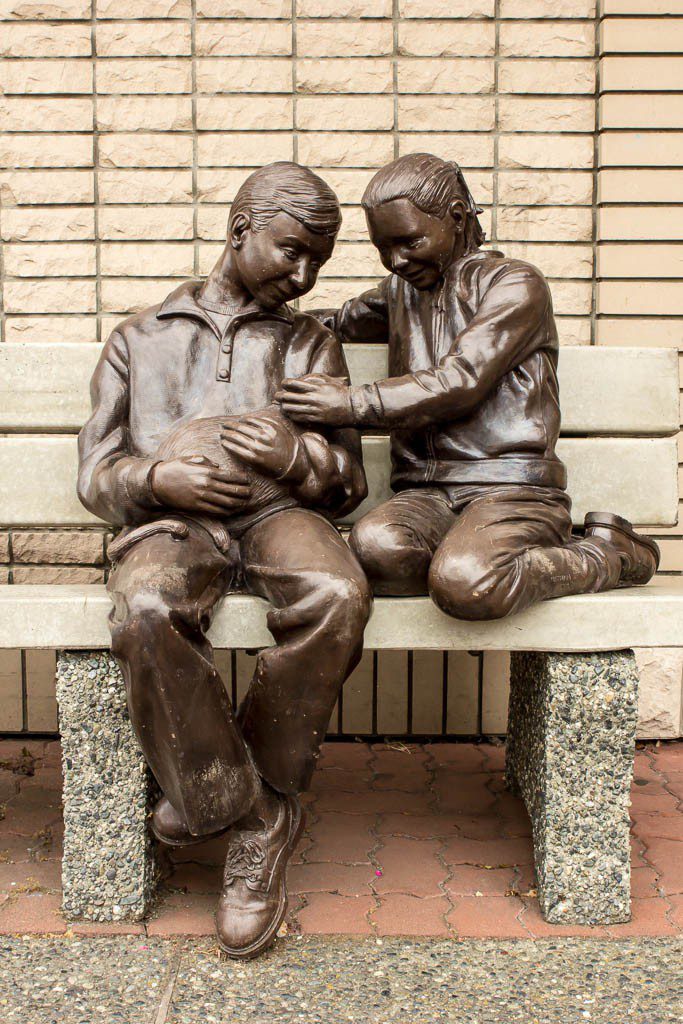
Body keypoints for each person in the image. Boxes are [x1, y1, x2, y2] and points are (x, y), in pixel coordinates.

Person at [77, 162, 372, 959]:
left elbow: (347, 485)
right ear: (241, 230)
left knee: (337, 590)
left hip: (280, 515)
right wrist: (153, 477)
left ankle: (253, 795)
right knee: (145, 608)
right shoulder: (140, 337)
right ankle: (241, 810)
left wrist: (299, 458)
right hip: (174, 523)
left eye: (319, 260)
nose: (304, 274)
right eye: (291, 251)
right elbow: (95, 478)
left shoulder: (311, 341)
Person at [277, 152, 659, 620]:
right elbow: (336, 322)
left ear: (457, 219)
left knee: (466, 583)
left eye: (409, 241)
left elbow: (461, 380)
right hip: (425, 492)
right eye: (383, 248)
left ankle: (608, 556)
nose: (396, 261)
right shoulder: (400, 292)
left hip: (511, 489)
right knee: (375, 550)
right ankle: (472, 561)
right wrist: (258, 317)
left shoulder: (514, 285)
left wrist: (351, 404)